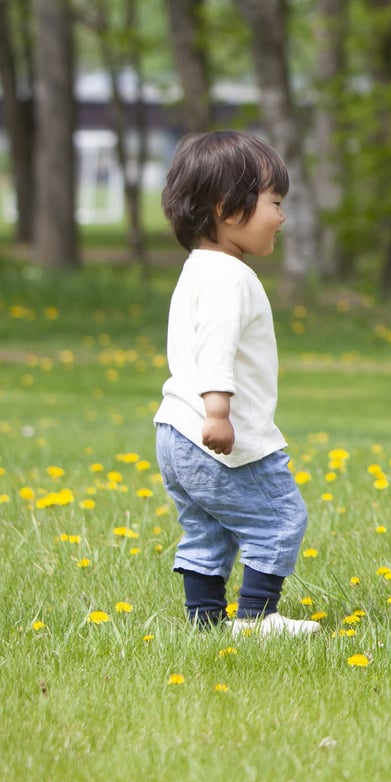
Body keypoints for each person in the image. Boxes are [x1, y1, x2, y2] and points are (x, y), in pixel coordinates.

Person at [154, 131, 319, 636]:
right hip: (219, 433)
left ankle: (206, 623)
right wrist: (219, 412)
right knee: (281, 519)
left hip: (174, 432)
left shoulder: (198, 269)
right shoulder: (230, 278)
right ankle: (255, 619)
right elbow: (217, 349)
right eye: (274, 202)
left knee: (209, 530)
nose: (282, 216)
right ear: (228, 209)